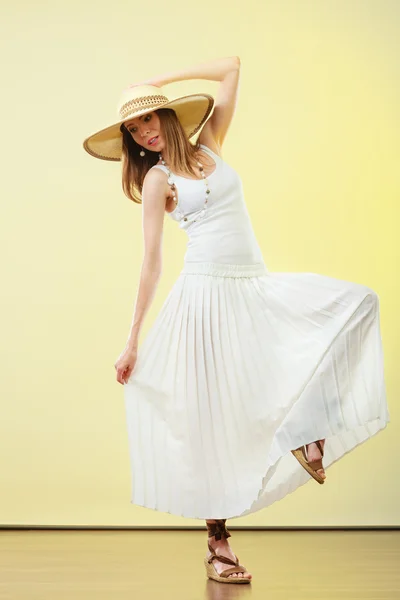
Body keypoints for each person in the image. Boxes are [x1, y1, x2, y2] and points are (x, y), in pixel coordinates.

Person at [83, 56, 389, 584]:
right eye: (134, 129)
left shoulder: (210, 147)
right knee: (211, 420)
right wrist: (132, 339)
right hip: (204, 300)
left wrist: (157, 81)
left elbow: (229, 69)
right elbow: (151, 264)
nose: (143, 133)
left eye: (148, 120)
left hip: (252, 285)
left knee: (358, 303)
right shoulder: (157, 181)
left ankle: (306, 429)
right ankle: (218, 543)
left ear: (168, 115)